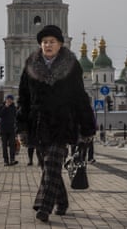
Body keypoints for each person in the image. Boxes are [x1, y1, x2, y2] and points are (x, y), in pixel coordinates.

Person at [17, 24, 96, 223]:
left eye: (52, 42)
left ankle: (43, 206)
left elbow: (80, 96)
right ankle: (62, 201)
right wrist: (22, 127)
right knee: (47, 167)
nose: (48, 45)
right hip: (39, 123)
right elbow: (23, 98)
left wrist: (87, 126)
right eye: (44, 42)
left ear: (60, 44)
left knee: (53, 163)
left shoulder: (72, 65)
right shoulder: (30, 65)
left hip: (63, 123)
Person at [0, 95, 18, 166]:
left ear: (12, 100)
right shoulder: (1, 106)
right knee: (4, 145)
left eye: (10, 99)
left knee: (12, 145)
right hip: (3, 129)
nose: (9, 101)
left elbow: (17, 118)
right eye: (8, 99)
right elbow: (0, 114)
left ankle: (12, 159)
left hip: (12, 129)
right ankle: (6, 160)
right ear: (5, 100)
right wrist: (5, 107)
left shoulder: (14, 108)